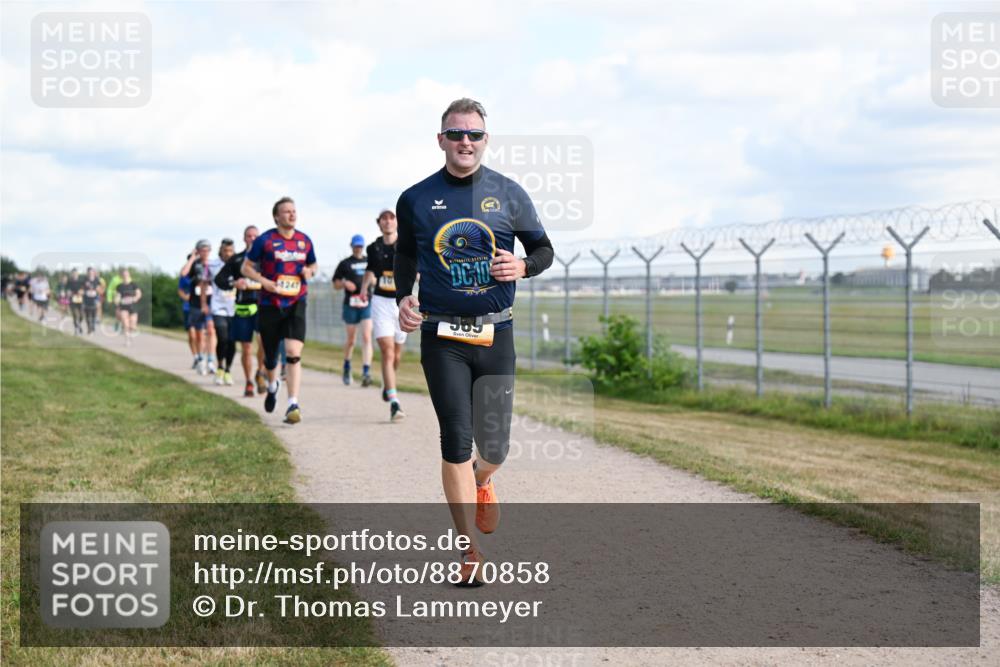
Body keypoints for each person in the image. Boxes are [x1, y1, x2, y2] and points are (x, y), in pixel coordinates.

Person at [394, 98, 554, 585]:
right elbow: (404, 255)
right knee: (454, 441)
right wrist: (404, 296)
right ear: (440, 139)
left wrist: (524, 265)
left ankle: (485, 479)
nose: (466, 141)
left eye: (475, 134)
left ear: (486, 139)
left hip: (495, 330)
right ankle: (468, 552)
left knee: (496, 449)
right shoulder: (415, 198)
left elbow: (544, 249)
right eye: (456, 133)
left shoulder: (509, 193)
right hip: (441, 335)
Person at [241, 196, 317, 424]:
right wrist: (264, 282)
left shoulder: (304, 241)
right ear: (276, 216)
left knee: (293, 353)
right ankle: (273, 386)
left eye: (294, 211)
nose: (292, 214)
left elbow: (313, 264)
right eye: (286, 211)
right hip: (270, 305)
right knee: (271, 358)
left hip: (296, 302)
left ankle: (293, 402)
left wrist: (310, 272)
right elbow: (246, 267)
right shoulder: (265, 240)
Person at [362, 210, 407, 421]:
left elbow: (415, 268)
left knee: (397, 355)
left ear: (396, 222)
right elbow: (371, 271)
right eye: (384, 219)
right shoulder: (374, 247)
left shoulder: (407, 244)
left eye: (391, 218)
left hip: (402, 302)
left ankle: (388, 384)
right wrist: (364, 288)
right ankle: (394, 402)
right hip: (380, 302)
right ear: (379, 224)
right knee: (387, 353)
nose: (388, 222)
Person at [216, 225, 266, 397]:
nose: (252, 239)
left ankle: (260, 372)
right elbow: (219, 279)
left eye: (255, 236)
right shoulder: (237, 259)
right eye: (249, 236)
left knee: (263, 342)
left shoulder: (266, 258)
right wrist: (234, 283)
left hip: (262, 306)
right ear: (244, 239)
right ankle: (249, 382)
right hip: (243, 307)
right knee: (245, 347)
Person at [333, 234, 374, 386]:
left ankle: (366, 372)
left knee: (367, 337)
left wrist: (371, 280)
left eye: (360, 246)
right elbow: (335, 284)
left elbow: (375, 279)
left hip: (366, 303)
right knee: (351, 340)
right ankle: (347, 366)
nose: (358, 248)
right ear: (351, 246)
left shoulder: (369, 261)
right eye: (356, 246)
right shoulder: (345, 263)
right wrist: (344, 283)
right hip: (350, 304)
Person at [180, 241, 215, 375]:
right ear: (198, 251)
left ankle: (211, 360)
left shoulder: (213, 264)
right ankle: (200, 359)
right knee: (199, 335)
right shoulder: (194, 264)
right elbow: (184, 273)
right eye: (202, 250)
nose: (205, 253)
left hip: (212, 303)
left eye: (207, 250)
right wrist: (193, 258)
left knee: (211, 331)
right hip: (195, 304)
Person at [115, 268, 142, 344]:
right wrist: (117, 301)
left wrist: (135, 298)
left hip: (133, 306)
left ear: (129, 275)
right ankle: (127, 340)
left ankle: (130, 332)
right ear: (121, 276)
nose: (125, 276)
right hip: (123, 307)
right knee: (126, 323)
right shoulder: (119, 286)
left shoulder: (134, 284)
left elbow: (139, 293)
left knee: (133, 325)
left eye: (126, 274)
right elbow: (117, 296)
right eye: (124, 275)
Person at [82, 267, 102, 334]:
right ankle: (89, 328)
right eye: (89, 272)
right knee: (87, 314)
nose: (91, 273)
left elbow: (100, 290)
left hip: (94, 298)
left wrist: (97, 289)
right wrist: (84, 291)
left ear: (94, 273)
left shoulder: (97, 280)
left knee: (94, 313)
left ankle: (93, 325)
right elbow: (81, 289)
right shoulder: (84, 280)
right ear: (87, 273)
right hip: (86, 299)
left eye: (92, 272)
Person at [66, 268, 85, 334]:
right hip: (73, 300)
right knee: (75, 314)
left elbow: (83, 289)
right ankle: (76, 328)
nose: (74, 275)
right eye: (73, 274)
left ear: (78, 274)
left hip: (80, 299)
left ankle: (79, 324)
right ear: (72, 274)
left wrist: (81, 292)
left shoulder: (81, 281)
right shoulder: (69, 282)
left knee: (82, 315)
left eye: (76, 273)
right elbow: (67, 290)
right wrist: (69, 293)